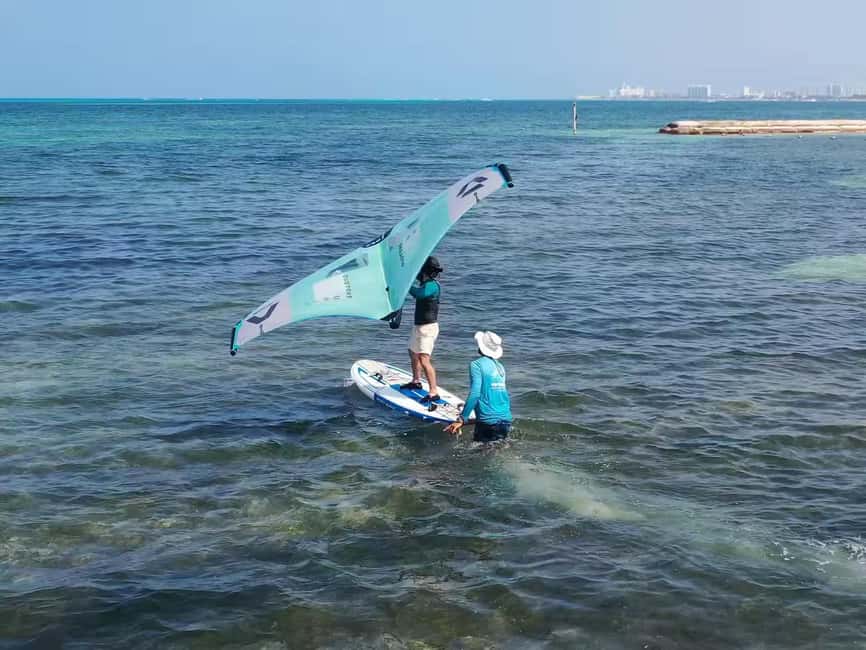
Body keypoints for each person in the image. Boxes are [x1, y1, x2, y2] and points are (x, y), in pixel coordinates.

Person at [444, 331, 513, 443]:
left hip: (488, 423)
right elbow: (497, 399)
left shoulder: (476, 364)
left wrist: (462, 418)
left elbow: (475, 393)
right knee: (496, 450)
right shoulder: (500, 367)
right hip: (506, 419)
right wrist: (470, 420)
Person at [400, 256, 443, 408]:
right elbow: (415, 277)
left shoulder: (431, 285)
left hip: (428, 328)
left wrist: (406, 285)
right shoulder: (425, 282)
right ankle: (416, 381)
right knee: (413, 353)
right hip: (419, 326)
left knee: (424, 359)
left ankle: (433, 391)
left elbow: (419, 294)